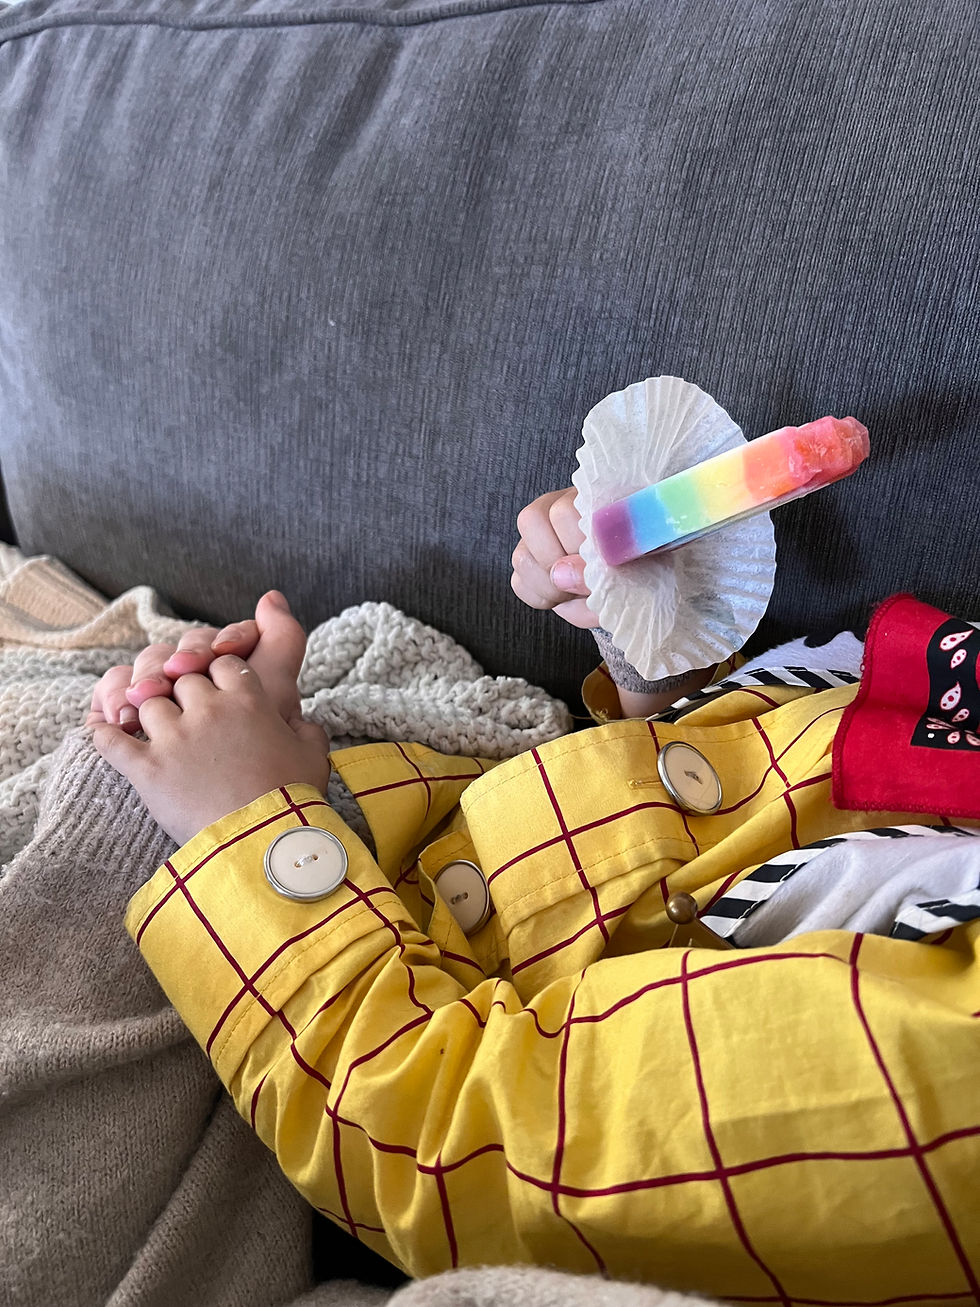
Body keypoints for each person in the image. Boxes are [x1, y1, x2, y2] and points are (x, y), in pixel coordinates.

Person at [85, 491, 980, 1301]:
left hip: (294, 992)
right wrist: (665, 667)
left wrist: (254, 823)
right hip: (359, 799)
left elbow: (462, 1141)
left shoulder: (946, 1087)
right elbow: (788, 863)